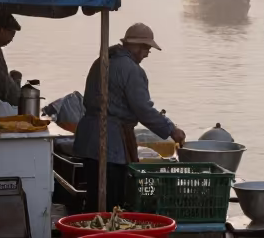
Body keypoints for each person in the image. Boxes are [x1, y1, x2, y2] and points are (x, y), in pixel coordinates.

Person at [73, 23, 186, 211]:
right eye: (146, 48)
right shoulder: (132, 70)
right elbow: (143, 109)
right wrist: (171, 129)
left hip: (88, 139)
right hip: (109, 142)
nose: (147, 53)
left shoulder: (103, 60)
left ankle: (92, 233)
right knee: (112, 201)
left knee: (95, 197)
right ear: (135, 46)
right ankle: (105, 236)